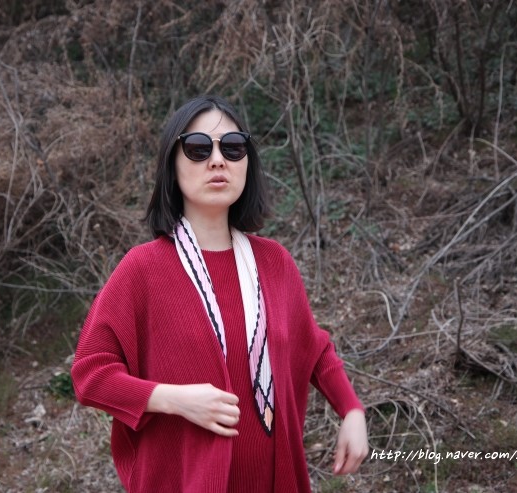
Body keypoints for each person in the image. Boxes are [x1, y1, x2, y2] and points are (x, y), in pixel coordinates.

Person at [71, 95, 368, 492]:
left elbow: (313, 350)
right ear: (171, 166)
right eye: (197, 148)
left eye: (232, 147)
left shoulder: (274, 262)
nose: (217, 160)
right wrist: (172, 399)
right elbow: (91, 374)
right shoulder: (143, 269)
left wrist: (351, 410)